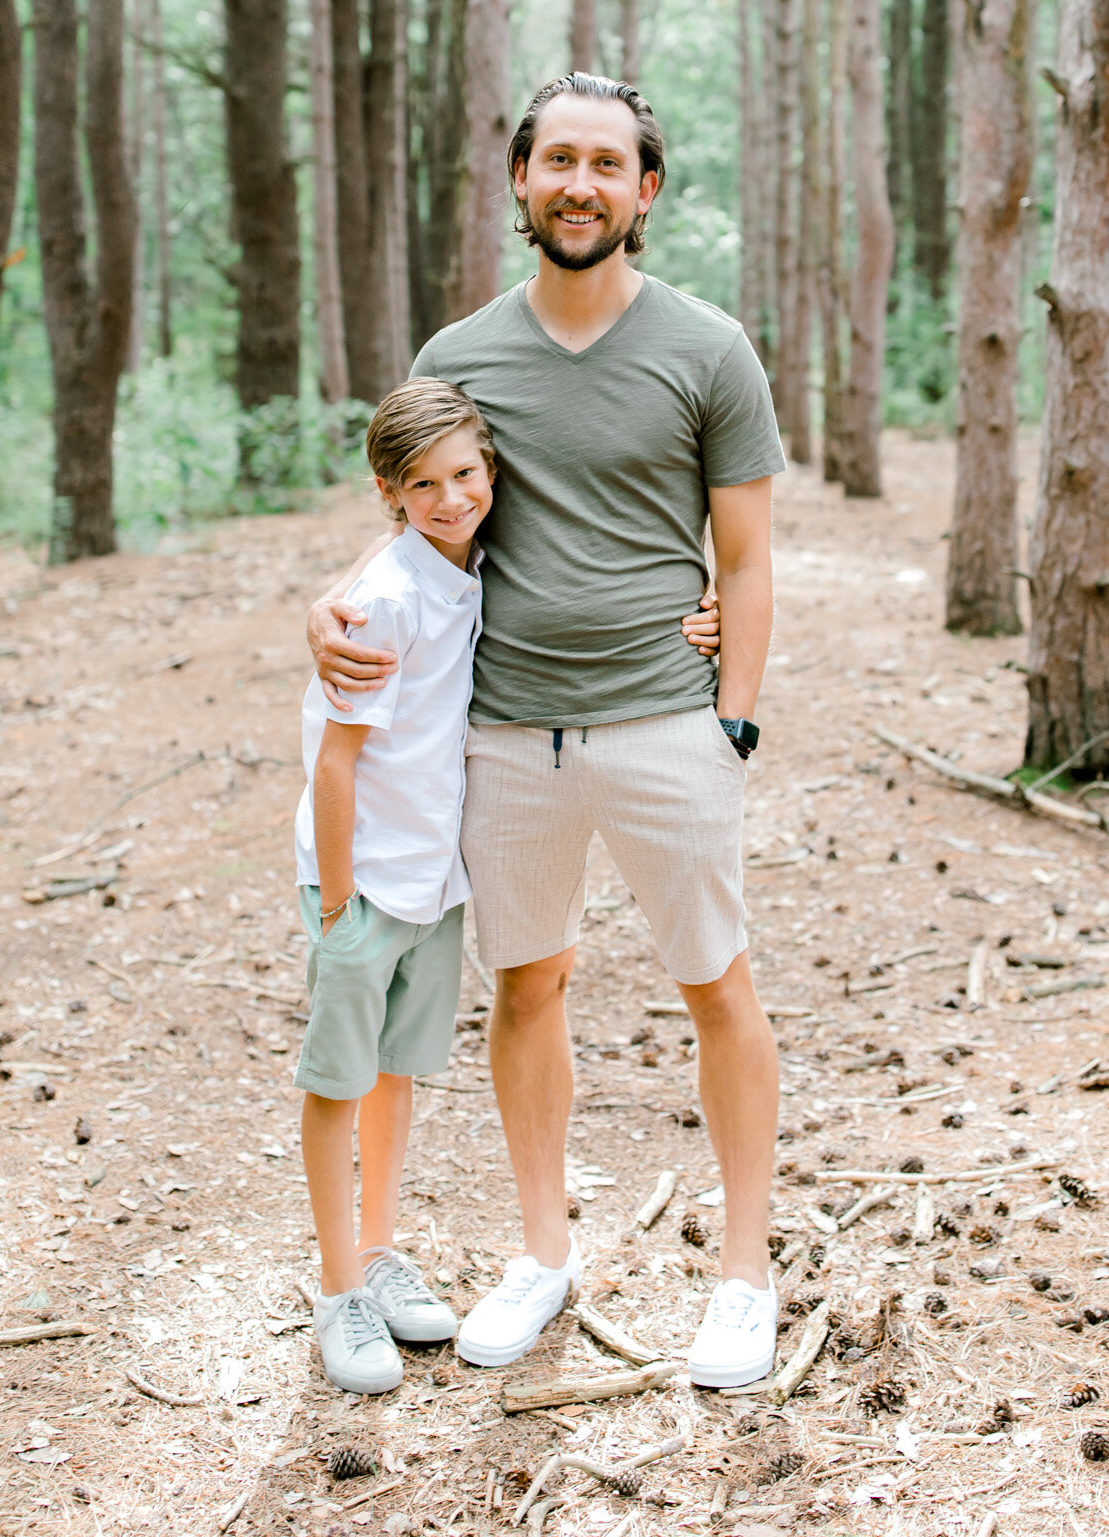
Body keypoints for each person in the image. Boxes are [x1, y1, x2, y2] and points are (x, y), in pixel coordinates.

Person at [308, 73, 784, 1388]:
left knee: (716, 986)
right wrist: (330, 604)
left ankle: (743, 1275)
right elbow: (417, 513)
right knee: (527, 988)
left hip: (664, 723)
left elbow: (743, 560)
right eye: (554, 158)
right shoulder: (457, 360)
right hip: (503, 735)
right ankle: (542, 1252)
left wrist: (732, 714)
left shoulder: (708, 349)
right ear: (521, 180)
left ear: (643, 190)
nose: (579, 182)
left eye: (606, 163)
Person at [295, 378, 494, 1395]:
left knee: (393, 1072)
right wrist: (336, 907)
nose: (453, 496)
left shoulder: (469, 570)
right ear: (392, 492)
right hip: (364, 879)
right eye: (426, 483)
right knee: (338, 1079)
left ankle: (378, 1249)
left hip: (434, 877)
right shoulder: (382, 598)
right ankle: (337, 1288)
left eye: (467, 472)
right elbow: (336, 763)